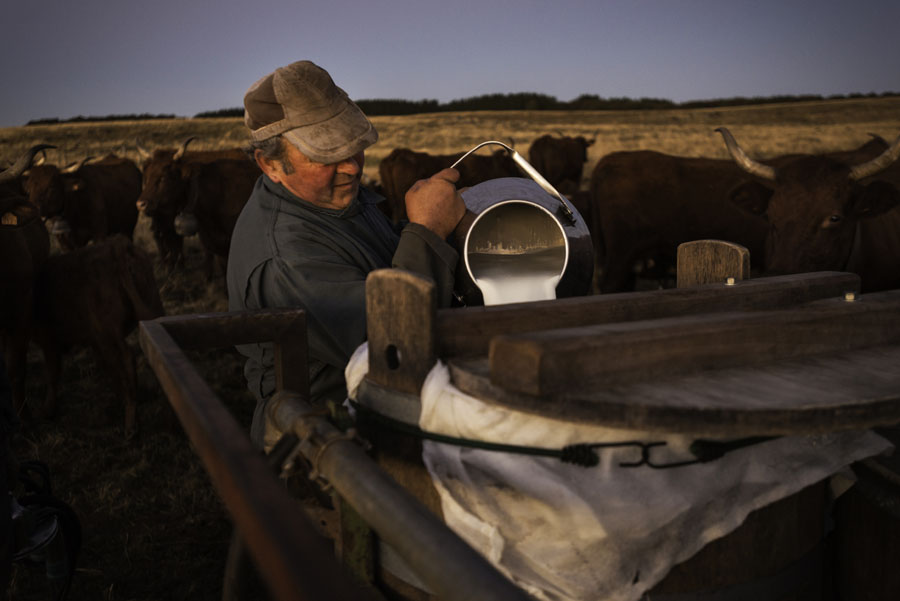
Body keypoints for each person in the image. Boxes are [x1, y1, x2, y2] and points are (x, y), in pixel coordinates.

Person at [227, 60, 466, 447]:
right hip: (332, 437)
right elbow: (392, 348)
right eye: (326, 156)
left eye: (356, 147)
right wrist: (427, 232)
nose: (352, 168)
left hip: (388, 410)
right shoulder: (286, 258)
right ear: (270, 164)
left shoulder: (333, 198)